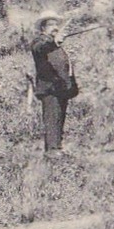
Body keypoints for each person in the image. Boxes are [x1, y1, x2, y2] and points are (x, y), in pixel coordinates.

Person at [30, 13, 79, 154]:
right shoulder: (39, 42)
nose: (55, 27)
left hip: (60, 89)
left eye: (56, 24)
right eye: (51, 25)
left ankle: (56, 150)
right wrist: (54, 42)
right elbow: (39, 48)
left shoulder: (53, 43)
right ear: (43, 28)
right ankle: (53, 152)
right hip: (49, 89)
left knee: (58, 120)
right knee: (52, 121)